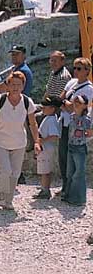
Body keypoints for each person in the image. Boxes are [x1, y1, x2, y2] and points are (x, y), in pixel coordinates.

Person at [0, 71, 41, 210]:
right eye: (12, 84)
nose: (15, 87)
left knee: (15, 173)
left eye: (18, 85)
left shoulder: (27, 102)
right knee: (6, 170)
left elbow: (33, 123)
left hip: (19, 142)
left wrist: (37, 141)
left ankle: (8, 200)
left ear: (23, 86)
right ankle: (2, 196)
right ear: (7, 85)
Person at [57, 57, 93, 196]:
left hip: (76, 127)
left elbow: (75, 108)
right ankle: (66, 186)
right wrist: (65, 103)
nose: (75, 71)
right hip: (65, 124)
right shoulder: (71, 83)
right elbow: (60, 99)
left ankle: (72, 191)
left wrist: (65, 103)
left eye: (79, 68)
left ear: (87, 71)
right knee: (63, 157)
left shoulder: (89, 89)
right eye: (74, 68)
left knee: (73, 161)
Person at [63, 95, 91, 206]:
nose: (76, 103)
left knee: (79, 173)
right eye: (75, 101)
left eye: (79, 102)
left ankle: (78, 198)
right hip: (71, 146)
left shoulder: (86, 120)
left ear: (84, 105)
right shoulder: (71, 116)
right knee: (70, 172)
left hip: (80, 147)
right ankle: (69, 195)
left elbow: (89, 133)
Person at [34, 95, 62, 199]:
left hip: (46, 148)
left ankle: (45, 190)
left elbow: (54, 136)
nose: (43, 109)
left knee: (45, 170)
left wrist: (42, 141)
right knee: (44, 170)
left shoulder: (51, 120)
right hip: (45, 148)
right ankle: (44, 189)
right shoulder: (50, 118)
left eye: (46, 107)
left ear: (52, 108)